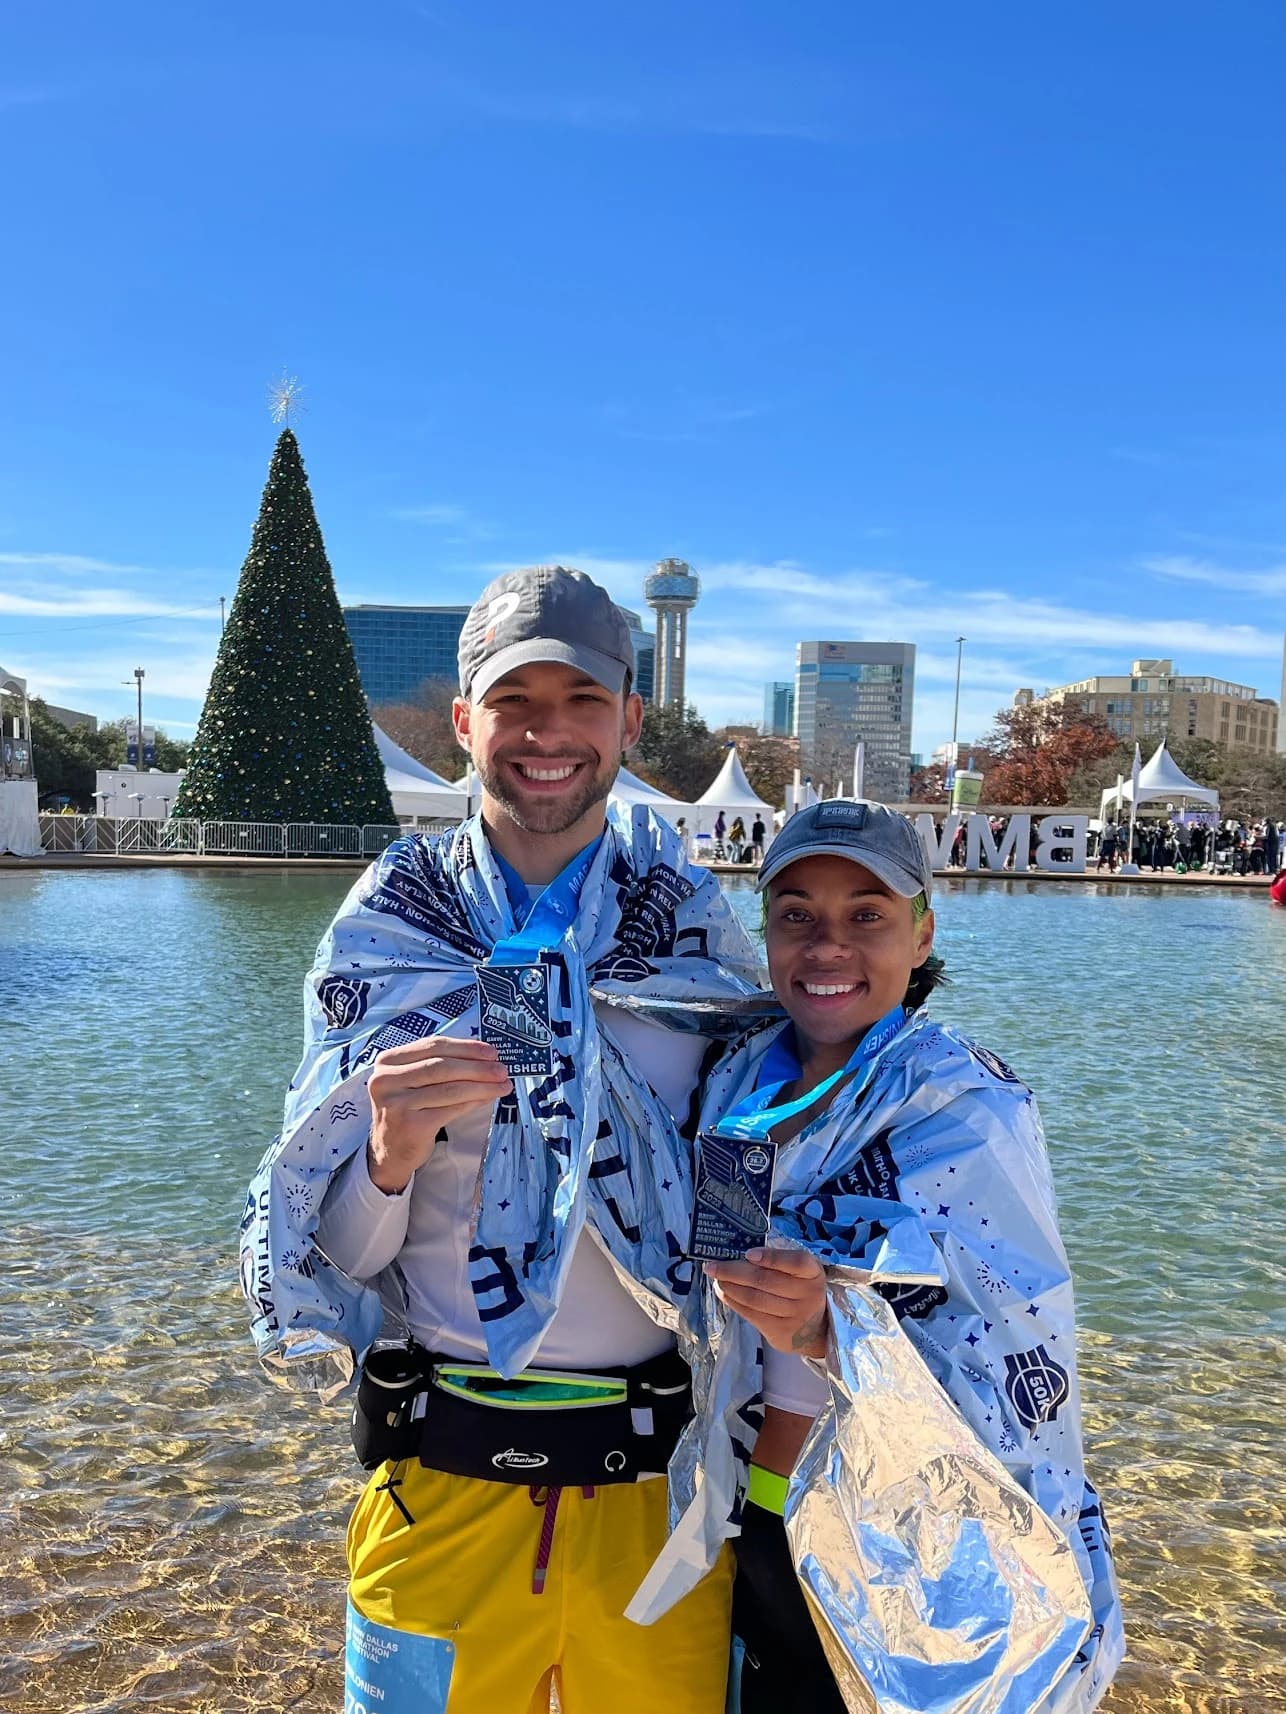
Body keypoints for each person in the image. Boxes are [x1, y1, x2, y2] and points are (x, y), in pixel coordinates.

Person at [239, 566, 761, 1714]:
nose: (546, 734)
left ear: (628, 718)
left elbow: (743, 1174)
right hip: (441, 1488)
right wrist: (382, 1151)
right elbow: (334, 1252)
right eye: (512, 700)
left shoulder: (688, 927)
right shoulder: (389, 923)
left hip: (656, 1506)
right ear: (464, 720)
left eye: (580, 700)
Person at [634, 801, 1124, 1713]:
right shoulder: (739, 1079)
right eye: (797, 916)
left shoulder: (970, 1107)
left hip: (902, 1527)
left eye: (868, 914)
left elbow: (1020, 1341)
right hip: (756, 1507)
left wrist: (834, 1330)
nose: (828, 947)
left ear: (923, 929)